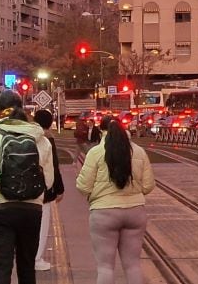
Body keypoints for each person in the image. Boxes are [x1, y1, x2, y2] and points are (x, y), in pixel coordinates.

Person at [0, 90, 55, 284]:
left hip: (1, 209)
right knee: (27, 266)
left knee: (2, 268)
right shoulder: (42, 140)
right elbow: (49, 180)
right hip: (32, 210)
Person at [76, 116, 155, 284]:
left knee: (105, 267)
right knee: (133, 265)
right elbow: (148, 186)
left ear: (102, 131)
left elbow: (83, 186)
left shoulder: (96, 152)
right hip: (135, 212)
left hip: (104, 213)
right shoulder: (139, 151)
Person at [32, 109, 66, 272]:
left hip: (24, 188)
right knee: (42, 224)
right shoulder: (47, 140)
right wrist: (59, 189)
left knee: (28, 225)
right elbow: (53, 166)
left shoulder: (25, 136)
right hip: (43, 190)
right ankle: (36, 258)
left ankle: (27, 256)